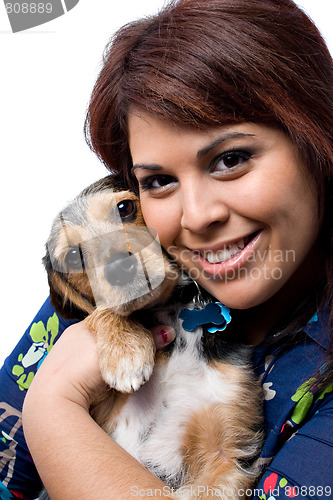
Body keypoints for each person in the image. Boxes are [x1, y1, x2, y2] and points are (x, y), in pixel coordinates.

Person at [1, 0, 333, 498]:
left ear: (319, 134)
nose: (195, 217)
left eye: (231, 159)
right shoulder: (121, 284)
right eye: (157, 180)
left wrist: (54, 409)